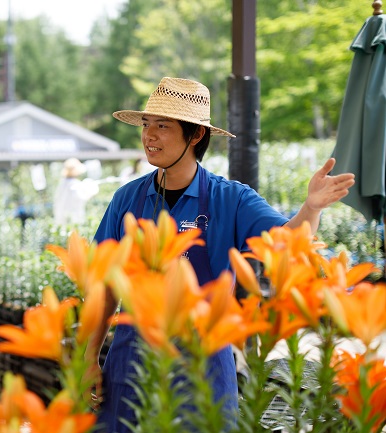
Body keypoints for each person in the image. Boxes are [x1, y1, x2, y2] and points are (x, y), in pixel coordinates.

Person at [89, 77, 355, 432]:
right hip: (130, 366)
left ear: (196, 135)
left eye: (163, 126)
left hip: (203, 373)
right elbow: (103, 287)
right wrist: (88, 358)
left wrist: (311, 207)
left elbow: (288, 239)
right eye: (146, 125)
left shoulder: (230, 199)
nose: (148, 136)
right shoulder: (127, 198)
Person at [53, 158, 99, 225]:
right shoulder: (74, 184)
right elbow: (81, 198)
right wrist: (92, 190)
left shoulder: (63, 183)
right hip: (73, 220)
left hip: (62, 219)